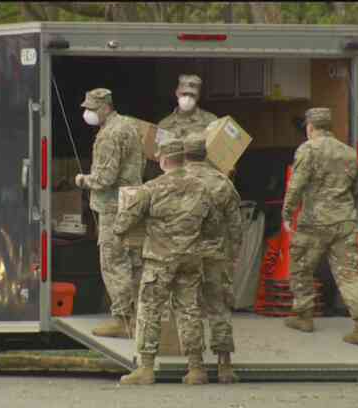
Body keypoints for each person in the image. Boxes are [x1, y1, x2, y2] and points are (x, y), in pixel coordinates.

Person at [114, 139, 217, 386]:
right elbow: (212, 225)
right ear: (182, 159)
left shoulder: (151, 188)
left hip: (160, 260)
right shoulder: (201, 188)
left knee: (150, 310)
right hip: (191, 259)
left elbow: (124, 222)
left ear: (162, 161)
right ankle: (196, 369)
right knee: (190, 310)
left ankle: (146, 369)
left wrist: (119, 229)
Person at [281, 107, 358, 347]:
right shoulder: (349, 153)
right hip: (344, 222)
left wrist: (288, 213)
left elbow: (296, 185)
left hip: (314, 221)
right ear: (329, 127)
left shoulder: (308, 149)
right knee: (349, 274)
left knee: (300, 267)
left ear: (310, 127)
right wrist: (355, 216)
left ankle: (303, 316)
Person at [75, 88, 145, 339]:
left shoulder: (109, 135)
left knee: (114, 262)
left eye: (92, 109)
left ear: (105, 107)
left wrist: (83, 180)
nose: (88, 113)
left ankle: (123, 320)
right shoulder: (130, 126)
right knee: (135, 263)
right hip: (132, 203)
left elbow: (105, 178)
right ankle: (139, 319)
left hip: (112, 208)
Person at [183, 132, 243, 384]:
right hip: (217, 255)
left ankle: (196, 368)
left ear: (184, 154)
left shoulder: (175, 181)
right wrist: (233, 255)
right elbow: (236, 226)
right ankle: (225, 366)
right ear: (206, 153)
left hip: (185, 255)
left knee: (189, 309)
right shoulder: (222, 182)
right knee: (219, 308)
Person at [158, 74, 218, 139]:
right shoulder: (164, 125)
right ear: (177, 93)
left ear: (198, 96)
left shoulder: (211, 121)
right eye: (184, 94)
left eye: (192, 95)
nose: (188, 98)